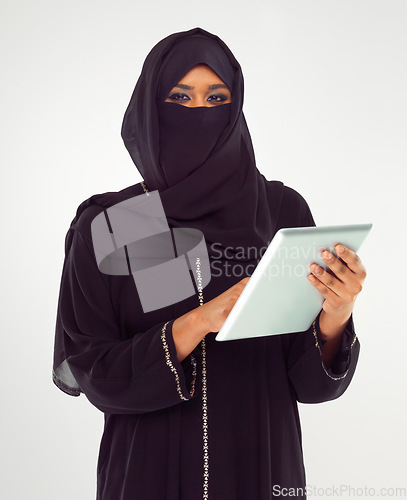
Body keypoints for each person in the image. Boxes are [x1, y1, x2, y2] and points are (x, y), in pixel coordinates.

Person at [52, 26, 367, 500]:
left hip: (262, 470)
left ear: (237, 107)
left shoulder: (280, 213)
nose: (199, 112)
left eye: (216, 98)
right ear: (150, 109)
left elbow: (310, 386)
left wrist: (336, 317)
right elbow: (95, 370)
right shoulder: (117, 224)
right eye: (180, 96)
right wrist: (198, 321)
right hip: (146, 475)